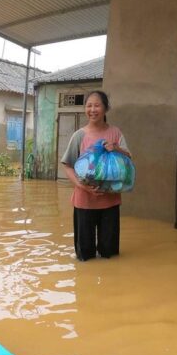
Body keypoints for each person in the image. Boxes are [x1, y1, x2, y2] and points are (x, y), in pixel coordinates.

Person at [61, 90, 131, 261]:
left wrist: (117, 148)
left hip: (110, 201)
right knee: (85, 255)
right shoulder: (79, 136)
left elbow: (128, 160)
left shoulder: (115, 133)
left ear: (106, 108)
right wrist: (82, 186)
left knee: (110, 254)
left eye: (97, 105)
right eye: (89, 106)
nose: (92, 110)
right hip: (84, 201)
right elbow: (67, 165)